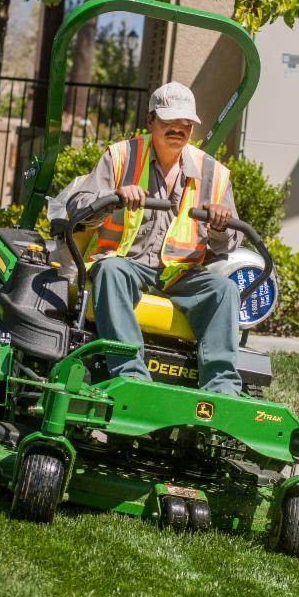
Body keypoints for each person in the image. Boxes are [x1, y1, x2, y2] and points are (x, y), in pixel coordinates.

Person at [66, 81, 243, 396]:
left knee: (224, 291)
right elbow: (78, 210)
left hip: (181, 272)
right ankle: (132, 379)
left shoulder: (213, 172)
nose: (178, 128)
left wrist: (219, 224)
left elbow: (229, 244)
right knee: (110, 271)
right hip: (128, 264)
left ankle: (223, 389)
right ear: (150, 121)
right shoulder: (120, 157)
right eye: (169, 121)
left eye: (185, 122)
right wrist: (113, 197)